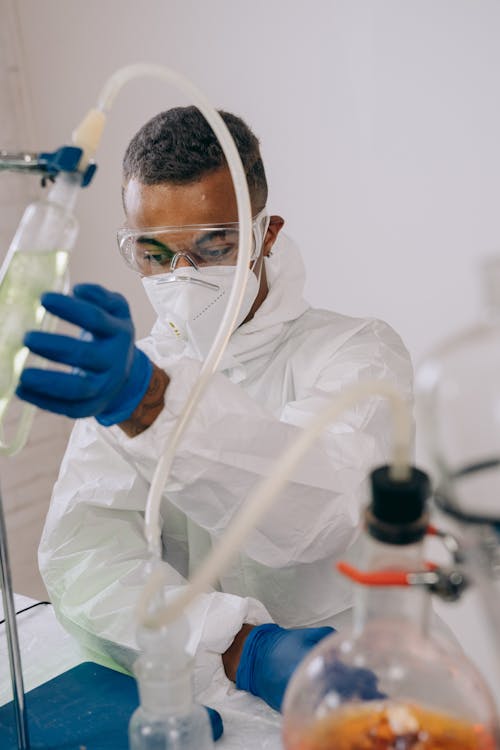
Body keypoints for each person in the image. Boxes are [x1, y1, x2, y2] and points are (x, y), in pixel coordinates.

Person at [16, 107, 413, 714]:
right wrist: (234, 644)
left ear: (265, 234)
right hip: (202, 691)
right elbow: (85, 559)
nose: (182, 277)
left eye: (213, 246)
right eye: (152, 252)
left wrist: (154, 406)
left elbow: (320, 505)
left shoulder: (358, 355)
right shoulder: (133, 371)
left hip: (358, 685)